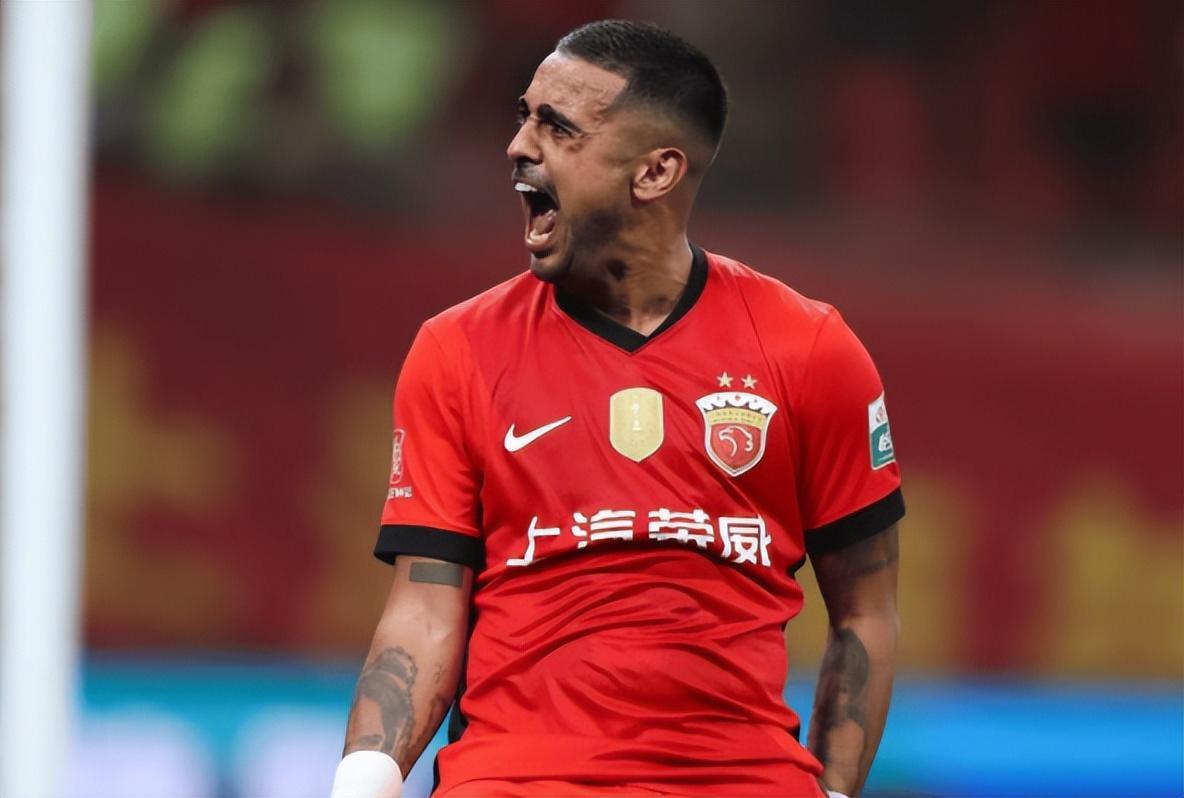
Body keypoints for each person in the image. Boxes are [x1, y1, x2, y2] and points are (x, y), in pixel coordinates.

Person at [331, 19, 903, 798]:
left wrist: (832, 793)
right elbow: (425, 610)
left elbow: (865, 610)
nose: (518, 146)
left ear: (656, 171)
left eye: (557, 127)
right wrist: (362, 780)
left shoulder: (808, 349)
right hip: (517, 783)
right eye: (524, 116)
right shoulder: (458, 350)